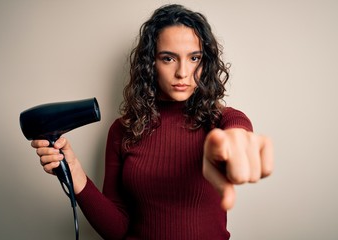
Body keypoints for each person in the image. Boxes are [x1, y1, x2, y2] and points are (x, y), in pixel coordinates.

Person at [32, 4, 273, 240]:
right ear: (151, 63)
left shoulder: (220, 121)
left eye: (194, 58)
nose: (182, 73)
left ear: (205, 62)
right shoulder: (123, 130)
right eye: (168, 58)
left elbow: (236, 125)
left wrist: (236, 138)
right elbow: (116, 230)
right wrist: (75, 174)